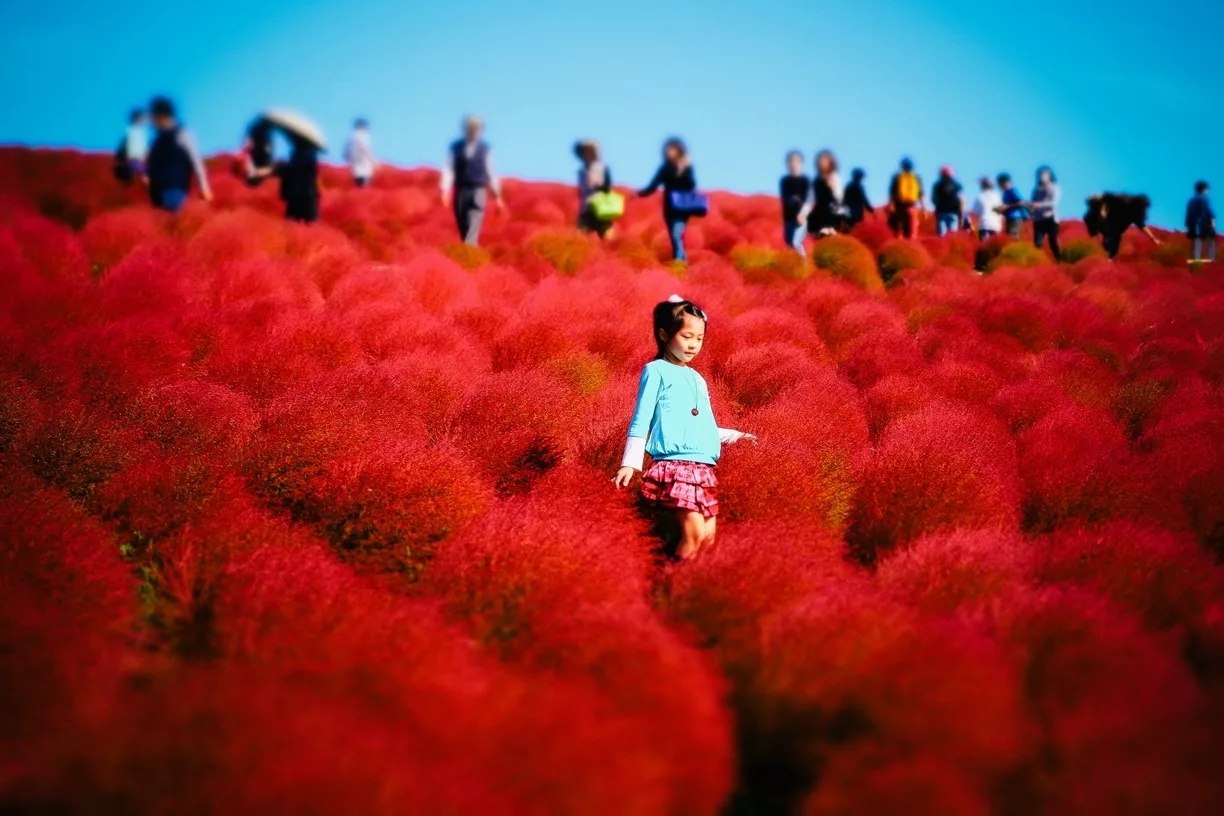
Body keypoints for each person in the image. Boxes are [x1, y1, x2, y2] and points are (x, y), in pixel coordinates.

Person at [612, 295, 754, 560]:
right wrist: (630, 462)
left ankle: (690, 583)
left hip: (704, 468)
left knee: (708, 540)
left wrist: (737, 436)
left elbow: (703, 423)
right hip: (675, 465)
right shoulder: (656, 370)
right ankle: (675, 586)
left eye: (699, 339)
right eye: (687, 336)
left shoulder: (697, 378)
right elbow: (641, 418)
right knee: (693, 534)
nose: (693, 345)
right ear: (664, 335)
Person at [440, 115, 505, 246]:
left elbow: (490, 172)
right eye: (472, 128)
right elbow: (449, 170)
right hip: (460, 192)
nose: (474, 131)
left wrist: (497, 196)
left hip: (478, 191)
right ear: (466, 130)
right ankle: (469, 255)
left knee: (472, 230)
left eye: (477, 129)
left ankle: (469, 256)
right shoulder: (455, 148)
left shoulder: (485, 149)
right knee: (464, 228)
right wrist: (445, 190)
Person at [145, 96, 212, 212]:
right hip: (157, 194)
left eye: (154, 117)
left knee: (174, 223)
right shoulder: (157, 139)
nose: (152, 121)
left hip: (175, 190)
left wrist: (204, 187)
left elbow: (196, 160)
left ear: (162, 116)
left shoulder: (182, 134)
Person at [638, 138, 698, 262]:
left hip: (683, 206)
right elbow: (653, 185)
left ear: (679, 150)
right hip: (670, 208)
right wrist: (639, 194)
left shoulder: (686, 166)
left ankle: (679, 262)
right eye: (667, 150)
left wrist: (682, 170)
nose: (669, 152)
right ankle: (682, 260)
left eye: (671, 149)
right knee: (675, 236)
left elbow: (691, 184)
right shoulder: (664, 168)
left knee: (676, 235)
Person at [1084, 193, 1161, 258]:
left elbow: (1142, 226)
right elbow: (1106, 199)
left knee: (1114, 238)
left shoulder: (1135, 214)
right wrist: (1103, 211)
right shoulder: (1123, 202)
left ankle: (1109, 257)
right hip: (1106, 221)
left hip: (1113, 228)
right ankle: (1107, 254)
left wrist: (1153, 239)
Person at [274, 134, 321, 223]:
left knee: (293, 222)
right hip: (307, 194)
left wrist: (282, 167)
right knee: (309, 224)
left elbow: (291, 172)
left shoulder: (298, 155)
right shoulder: (310, 155)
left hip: (298, 195)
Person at [575, 139, 614, 238]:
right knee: (580, 236)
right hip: (586, 209)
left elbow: (608, 187)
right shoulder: (581, 170)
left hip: (602, 208)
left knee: (606, 238)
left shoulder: (603, 168)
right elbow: (582, 191)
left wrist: (599, 187)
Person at [803, 149, 845, 237]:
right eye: (820, 161)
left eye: (825, 161)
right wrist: (803, 213)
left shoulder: (835, 177)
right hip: (820, 213)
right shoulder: (816, 181)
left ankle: (832, 229)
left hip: (833, 212)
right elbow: (810, 201)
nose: (822, 163)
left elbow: (840, 198)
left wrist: (833, 188)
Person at [779, 150, 810, 254]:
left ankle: (804, 266)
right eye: (790, 162)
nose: (793, 164)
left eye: (796, 162)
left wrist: (802, 214)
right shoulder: (785, 181)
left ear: (801, 164)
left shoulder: (806, 181)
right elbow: (786, 198)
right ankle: (793, 267)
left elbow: (808, 201)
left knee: (796, 242)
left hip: (801, 218)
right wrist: (794, 199)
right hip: (788, 218)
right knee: (789, 243)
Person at [1030, 165, 1062, 261]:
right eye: (1040, 174)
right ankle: (1038, 263)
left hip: (1051, 219)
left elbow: (1053, 203)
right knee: (1037, 244)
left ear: (1049, 175)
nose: (1041, 176)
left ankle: (1059, 260)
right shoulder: (1036, 190)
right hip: (1039, 220)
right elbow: (1033, 203)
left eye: (1044, 174)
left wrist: (1037, 205)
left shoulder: (1055, 188)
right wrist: (1030, 209)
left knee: (1053, 241)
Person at [888, 157, 924, 238]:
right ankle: (911, 244)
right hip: (912, 205)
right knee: (912, 230)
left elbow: (892, 192)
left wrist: (890, 204)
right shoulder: (917, 178)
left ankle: (900, 244)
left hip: (899, 205)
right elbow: (920, 194)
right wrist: (923, 207)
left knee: (899, 228)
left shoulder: (896, 177)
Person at [113, 108, 148, 183]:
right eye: (143, 118)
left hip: (133, 162)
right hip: (131, 163)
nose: (145, 121)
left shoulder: (138, 133)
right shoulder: (134, 133)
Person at [1186, 180, 1216, 262]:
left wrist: (1188, 224)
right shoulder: (1204, 199)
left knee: (1196, 241)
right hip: (1203, 223)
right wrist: (1213, 220)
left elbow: (1188, 213)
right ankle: (1211, 258)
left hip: (1193, 224)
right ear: (1204, 189)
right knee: (1211, 240)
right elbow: (1209, 210)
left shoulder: (1191, 200)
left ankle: (1196, 258)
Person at [241, 117, 275, 186]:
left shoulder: (252, 169)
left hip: (259, 149)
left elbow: (247, 152)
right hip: (261, 149)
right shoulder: (262, 169)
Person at [931, 166, 963, 237]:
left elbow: (933, 199)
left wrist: (937, 205)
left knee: (942, 236)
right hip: (954, 212)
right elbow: (961, 199)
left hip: (941, 212)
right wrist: (961, 214)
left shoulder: (937, 185)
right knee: (952, 235)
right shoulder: (957, 185)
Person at [345, 118, 376, 188]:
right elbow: (366, 148)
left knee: (358, 182)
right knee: (364, 183)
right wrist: (373, 159)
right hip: (364, 163)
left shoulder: (351, 136)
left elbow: (346, 152)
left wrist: (348, 160)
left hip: (354, 164)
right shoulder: (363, 135)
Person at [997, 173, 1027, 238]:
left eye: (1000, 184)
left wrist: (1008, 206)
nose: (1000, 187)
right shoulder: (1005, 193)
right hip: (1009, 218)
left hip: (1016, 217)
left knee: (1013, 236)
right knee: (1007, 236)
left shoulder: (1013, 190)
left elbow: (1021, 203)